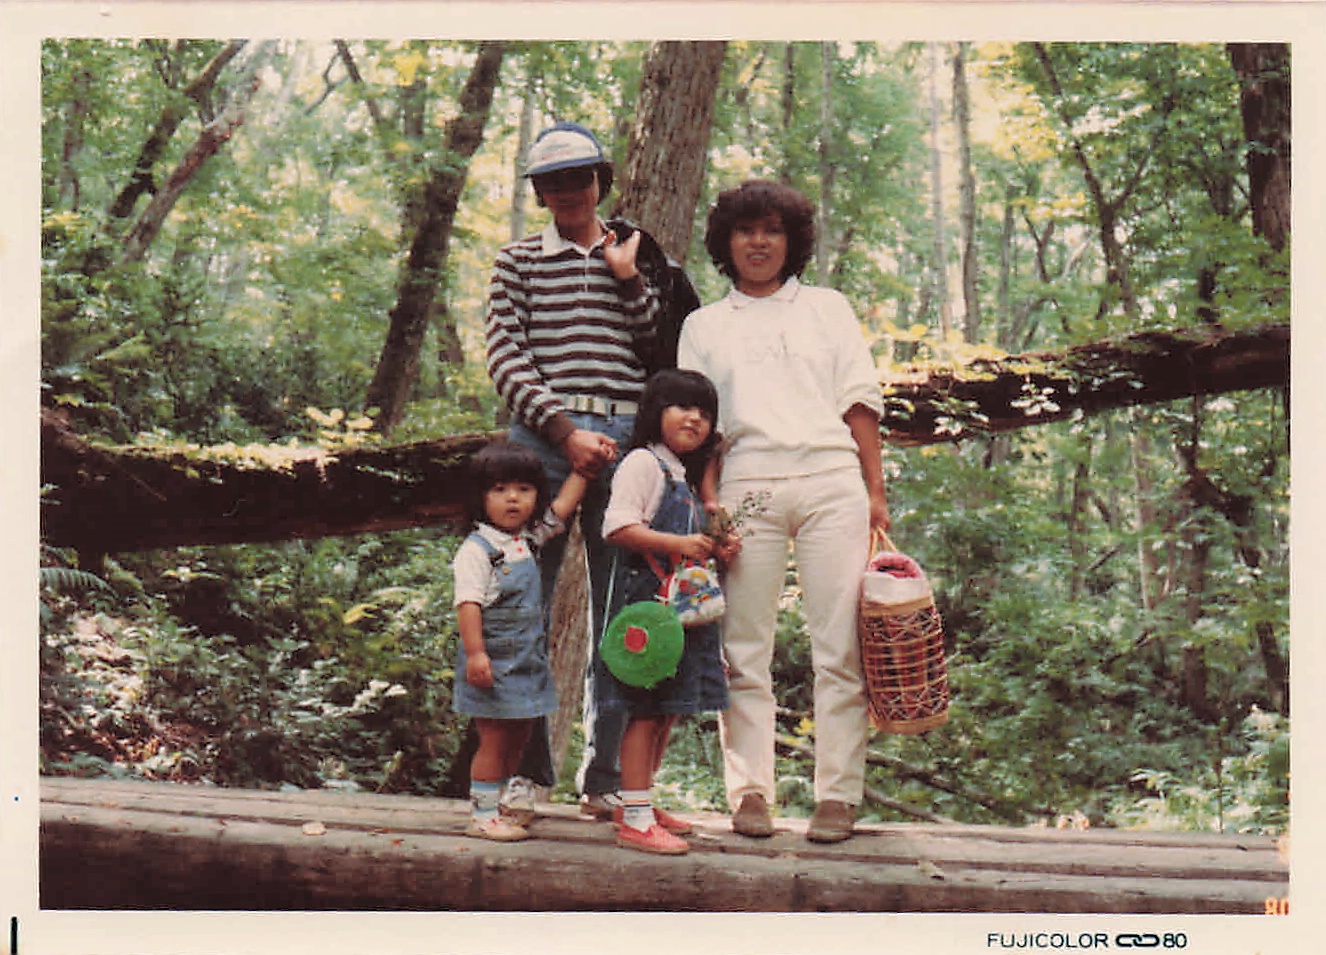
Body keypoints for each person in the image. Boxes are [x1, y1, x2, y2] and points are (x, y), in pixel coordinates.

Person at [485, 121, 696, 823]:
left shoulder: (635, 253)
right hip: (543, 444)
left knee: (627, 609)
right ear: (539, 191)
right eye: (553, 181)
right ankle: (526, 774)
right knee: (523, 604)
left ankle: (606, 779)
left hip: (627, 442)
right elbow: (506, 357)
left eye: (580, 176)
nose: (568, 190)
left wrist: (627, 275)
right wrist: (564, 432)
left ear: (601, 180)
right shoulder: (517, 261)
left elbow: (659, 346)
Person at [677, 180, 890, 844]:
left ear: (791, 240)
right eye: (746, 230)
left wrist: (876, 491)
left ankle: (838, 796)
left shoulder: (827, 308)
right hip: (747, 486)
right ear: (727, 241)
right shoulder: (704, 325)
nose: (759, 242)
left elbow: (859, 400)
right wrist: (709, 504)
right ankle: (750, 793)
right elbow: (698, 426)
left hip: (831, 480)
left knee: (840, 647)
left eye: (772, 230)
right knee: (743, 649)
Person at [595, 369, 739, 854]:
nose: (694, 418)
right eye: (682, 407)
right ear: (656, 412)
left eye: (704, 412)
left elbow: (695, 537)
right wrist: (679, 543)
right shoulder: (642, 463)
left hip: (682, 614)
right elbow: (617, 528)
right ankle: (635, 821)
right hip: (647, 610)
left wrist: (718, 544)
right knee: (645, 710)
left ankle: (637, 802)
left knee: (668, 711)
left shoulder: (682, 475)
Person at [451, 441, 589, 842]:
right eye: (500, 490)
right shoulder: (477, 550)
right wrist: (476, 653)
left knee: (518, 738)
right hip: (492, 663)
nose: (513, 498)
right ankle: (482, 814)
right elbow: (468, 604)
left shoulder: (526, 540)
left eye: (524, 489)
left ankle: (501, 805)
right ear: (480, 497)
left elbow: (561, 510)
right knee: (494, 740)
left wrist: (583, 472)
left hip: (528, 663)